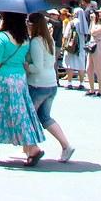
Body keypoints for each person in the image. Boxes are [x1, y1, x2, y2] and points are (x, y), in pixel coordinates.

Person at [0, 11, 46, 166]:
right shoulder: (25, 39)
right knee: (19, 113)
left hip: (2, 80)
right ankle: (31, 147)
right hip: (19, 79)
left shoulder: (2, 38)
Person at [26, 12, 74, 162]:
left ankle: (31, 149)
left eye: (28, 23)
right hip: (51, 83)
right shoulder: (49, 40)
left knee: (28, 117)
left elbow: (37, 67)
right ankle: (66, 145)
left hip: (38, 84)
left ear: (33, 25)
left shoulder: (35, 42)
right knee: (44, 117)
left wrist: (25, 65)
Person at [86, 7, 101, 96]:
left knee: (98, 68)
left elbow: (93, 32)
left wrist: (93, 21)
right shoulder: (96, 23)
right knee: (89, 69)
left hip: (98, 45)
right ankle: (92, 89)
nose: (99, 14)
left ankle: (100, 90)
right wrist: (93, 22)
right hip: (91, 45)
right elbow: (90, 32)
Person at [61, 6, 86, 89]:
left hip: (72, 46)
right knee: (81, 65)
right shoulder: (84, 23)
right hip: (81, 47)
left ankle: (69, 82)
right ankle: (81, 83)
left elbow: (66, 34)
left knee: (70, 64)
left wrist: (63, 45)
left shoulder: (72, 22)